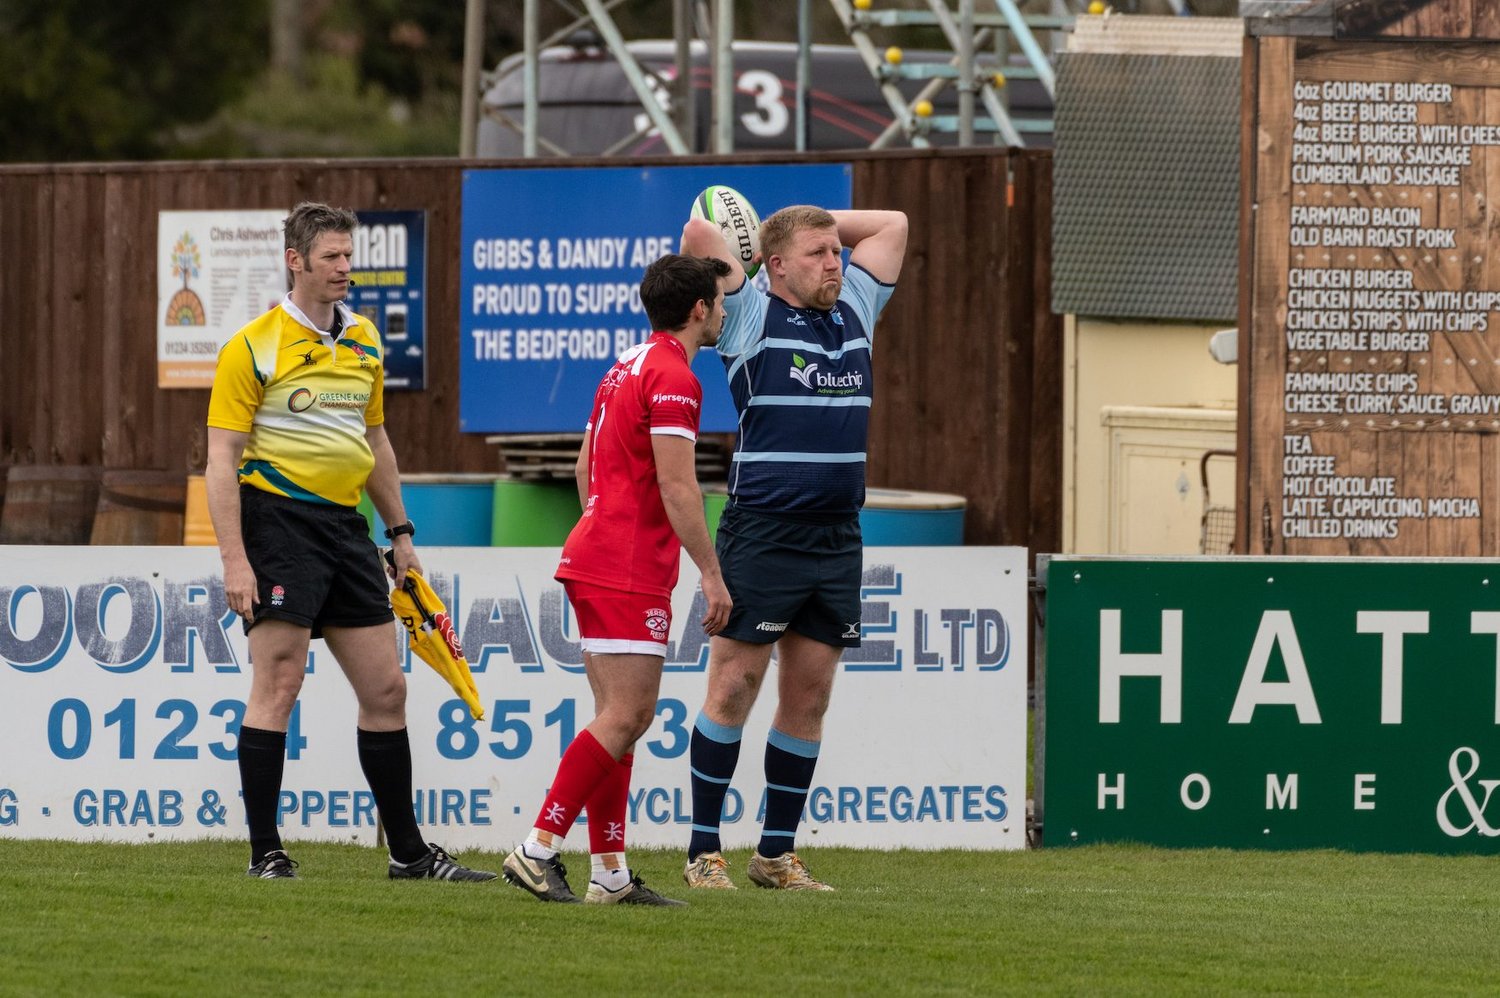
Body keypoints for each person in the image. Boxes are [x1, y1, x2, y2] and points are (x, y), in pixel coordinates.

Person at [206, 201, 494, 883]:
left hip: (345, 528)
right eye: (331, 257)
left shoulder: (364, 336)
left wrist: (401, 533)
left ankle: (408, 855)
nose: (345, 268)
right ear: (295, 260)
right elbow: (221, 459)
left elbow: (374, 441)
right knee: (278, 681)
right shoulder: (253, 344)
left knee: (387, 689)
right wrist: (235, 562)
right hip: (275, 522)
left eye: (348, 256)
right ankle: (265, 853)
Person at [679, 203, 908, 891]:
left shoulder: (858, 307)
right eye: (817, 254)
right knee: (733, 685)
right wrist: (769, 228)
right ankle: (702, 852)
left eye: (837, 251)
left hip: (837, 536)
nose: (835, 262)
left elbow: (893, 223)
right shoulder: (748, 315)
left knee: (808, 696)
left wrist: (815, 221)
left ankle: (775, 856)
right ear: (774, 265)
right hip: (763, 530)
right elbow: (699, 234)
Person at [501, 253, 734, 906]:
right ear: (698, 309)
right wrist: (712, 575)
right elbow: (678, 484)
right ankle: (537, 849)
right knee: (630, 714)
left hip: (597, 552)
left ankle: (609, 875)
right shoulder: (675, 378)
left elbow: (583, 468)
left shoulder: (624, 365)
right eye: (718, 301)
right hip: (626, 564)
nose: (723, 311)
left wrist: (606, 524)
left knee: (619, 718)